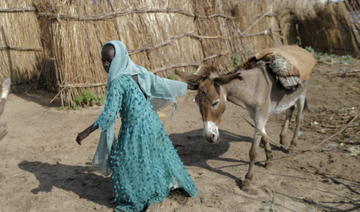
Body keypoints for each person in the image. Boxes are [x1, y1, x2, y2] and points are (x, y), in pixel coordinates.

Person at [76, 40, 198, 212]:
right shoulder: (137, 71)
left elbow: (110, 115)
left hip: (136, 129)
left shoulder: (117, 82)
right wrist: (187, 86)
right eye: (103, 60)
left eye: (109, 61)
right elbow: (159, 83)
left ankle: (136, 197)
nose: (106, 64)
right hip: (153, 123)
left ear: (120, 58)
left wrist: (85, 132)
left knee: (122, 161)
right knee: (155, 157)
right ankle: (168, 185)